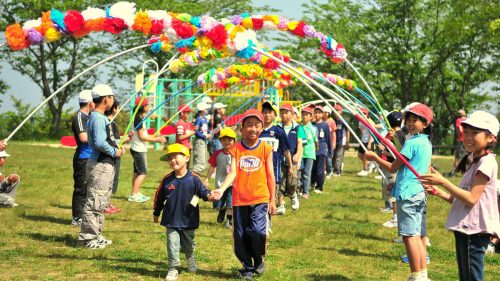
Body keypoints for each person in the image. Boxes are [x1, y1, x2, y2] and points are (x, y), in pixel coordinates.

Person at [420, 110, 499, 281]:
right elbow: (462, 201)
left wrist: (443, 182)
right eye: (467, 132)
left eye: (475, 133)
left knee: (471, 277)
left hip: (474, 231)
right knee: (466, 276)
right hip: (466, 228)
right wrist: (439, 192)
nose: (469, 137)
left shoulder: (486, 163)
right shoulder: (475, 161)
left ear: (491, 138)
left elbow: (471, 198)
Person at [365, 103, 433, 281]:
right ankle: (422, 274)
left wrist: (374, 158)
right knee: (417, 236)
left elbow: (394, 167)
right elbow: (410, 170)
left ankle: (417, 276)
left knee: (409, 237)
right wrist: (394, 186)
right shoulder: (425, 142)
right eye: (408, 120)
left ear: (425, 123)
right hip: (418, 192)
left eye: (415, 120)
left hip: (409, 195)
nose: (410, 123)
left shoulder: (412, 144)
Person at [213, 108, 276, 280]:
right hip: (239, 200)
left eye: (257, 125)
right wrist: (222, 188)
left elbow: (271, 175)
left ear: (261, 128)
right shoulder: (236, 149)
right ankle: (247, 267)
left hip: (260, 198)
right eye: (249, 125)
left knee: (256, 231)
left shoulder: (266, 149)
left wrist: (272, 200)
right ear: (242, 129)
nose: (253, 129)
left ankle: (259, 259)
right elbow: (232, 172)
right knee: (239, 235)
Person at [153, 143, 215, 281]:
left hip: (189, 220)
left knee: (188, 244)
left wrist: (210, 196)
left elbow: (204, 193)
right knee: (172, 243)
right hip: (171, 219)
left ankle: (190, 257)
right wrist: (156, 213)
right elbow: (159, 197)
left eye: (175, 156)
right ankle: (172, 268)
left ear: (187, 158)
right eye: (169, 158)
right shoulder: (167, 180)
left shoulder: (194, 178)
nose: (172, 160)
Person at [77, 84, 126, 249]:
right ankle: (87, 238)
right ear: (107, 99)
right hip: (100, 165)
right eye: (112, 97)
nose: (112, 100)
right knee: (95, 201)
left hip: (106, 164)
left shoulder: (101, 117)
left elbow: (106, 139)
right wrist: (114, 151)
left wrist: (118, 147)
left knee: (101, 202)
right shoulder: (98, 118)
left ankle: (96, 234)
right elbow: (98, 142)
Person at [129, 97, 166, 203]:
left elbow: (144, 134)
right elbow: (142, 137)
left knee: (137, 171)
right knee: (143, 172)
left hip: (137, 148)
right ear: (143, 107)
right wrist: (157, 140)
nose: (149, 107)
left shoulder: (139, 117)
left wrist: (155, 136)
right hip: (138, 149)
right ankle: (134, 194)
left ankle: (135, 192)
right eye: (147, 105)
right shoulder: (138, 119)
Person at [259, 101, 292, 215]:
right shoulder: (257, 131)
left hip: (274, 172)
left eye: (270, 112)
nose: (267, 115)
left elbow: (286, 151)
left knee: (270, 199)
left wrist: (291, 166)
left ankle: (268, 221)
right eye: (265, 112)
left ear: (274, 115)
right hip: (258, 172)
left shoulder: (279, 131)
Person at [70, 90, 95, 226]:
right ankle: (77, 217)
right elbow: (83, 138)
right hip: (83, 158)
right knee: (81, 188)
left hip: (91, 157)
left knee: (90, 189)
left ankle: (86, 216)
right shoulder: (80, 117)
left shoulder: (90, 117)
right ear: (90, 102)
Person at [205, 127, 237, 228]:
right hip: (220, 184)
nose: (226, 142)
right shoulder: (217, 154)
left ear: (234, 141)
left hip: (232, 184)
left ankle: (229, 220)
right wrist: (207, 178)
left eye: (229, 139)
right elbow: (212, 167)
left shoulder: (237, 154)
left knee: (230, 203)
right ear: (220, 141)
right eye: (224, 139)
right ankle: (221, 211)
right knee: (219, 204)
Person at [278, 103, 305, 211]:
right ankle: (281, 204)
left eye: (286, 112)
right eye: (282, 112)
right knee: (280, 182)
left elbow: (300, 143)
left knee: (292, 182)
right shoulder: (278, 127)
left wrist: (297, 155)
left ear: (292, 114)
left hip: (292, 160)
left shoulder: (298, 128)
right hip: (280, 159)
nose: (284, 115)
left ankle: (293, 195)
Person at [104, 100, 123, 214]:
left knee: (111, 179)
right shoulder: (111, 123)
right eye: (118, 107)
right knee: (110, 180)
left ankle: (107, 203)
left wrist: (120, 146)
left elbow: (116, 141)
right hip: (112, 156)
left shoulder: (110, 122)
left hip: (114, 152)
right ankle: (105, 204)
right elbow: (114, 141)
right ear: (114, 108)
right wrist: (119, 146)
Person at [311, 105, 332, 194]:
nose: (316, 114)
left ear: (322, 114)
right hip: (312, 151)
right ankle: (312, 184)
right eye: (315, 112)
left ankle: (320, 186)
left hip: (321, 150)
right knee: (313, 169)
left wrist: (330, 151)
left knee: (320, 170)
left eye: (319, 113)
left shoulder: (325, 125)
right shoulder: (311, 124)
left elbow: (328, 138)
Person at [300, 106, 318, 199]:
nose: (304, 117)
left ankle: (305, 192)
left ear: (311, 117)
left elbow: (316, 141)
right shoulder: (299, 127)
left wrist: (316, 149)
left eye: (306, 115)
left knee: (307, 173)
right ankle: (299, 189)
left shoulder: (314, 128)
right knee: (300, 172)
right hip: (300, 153)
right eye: (303, 115)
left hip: (310, 154)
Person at [446, 109, 468, 177]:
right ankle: (466, 172)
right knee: (465, 156)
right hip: (467, 140)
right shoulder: (467, 120)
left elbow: (460, 129)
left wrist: (460, 135)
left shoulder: (459, 120)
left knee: (458, 157)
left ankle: (453, 172)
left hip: (461, 140)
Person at [192, 102, 212, 174]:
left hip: (204, 141)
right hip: (199, 141)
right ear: (203, 110)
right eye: (206, 109)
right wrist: (204, 136)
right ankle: (193, 176)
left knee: (203, 162)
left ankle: (196, 177)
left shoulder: (205, 119)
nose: (207, 110)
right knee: (199, 162)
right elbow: (196, 131)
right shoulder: (198, 119)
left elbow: (206, 129)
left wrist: (209, 132)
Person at [176, 104, 195, 168]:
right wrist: (192, 133)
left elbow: (191, 130)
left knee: (187, 166)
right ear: (182, 113)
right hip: (182, 149)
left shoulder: (187, 123)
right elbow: (180, 137)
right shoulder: (180, 124)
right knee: (183, 167)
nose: (189, 115)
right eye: (187, 113)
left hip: (187, 148)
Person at [332, 104, 349, 176]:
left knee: (339, 156)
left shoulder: (344, 120)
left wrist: (348, 140)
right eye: (334, 111)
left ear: (341, 112)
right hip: (334, 141)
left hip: (342, 141)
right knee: (334, 155)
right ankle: (335, 168)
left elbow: (348, 130)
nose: (336, 112)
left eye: (337, 110)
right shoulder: (333, 120)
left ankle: (337, 171)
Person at [357, 107, 373, 176]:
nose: (362, 115)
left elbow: (372, 134)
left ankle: (365, 170)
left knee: (365, 156)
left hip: (368, 141)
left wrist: (369, 143)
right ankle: (369, 164)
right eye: (361, 113)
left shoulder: (369, 122)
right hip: (363, 140)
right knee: (359, 155)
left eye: (364, 113)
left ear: (367, 114)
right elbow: (362, 131)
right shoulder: (360, 121)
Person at [322, 106, 337, 179]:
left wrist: (333, 143)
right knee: (322, 158)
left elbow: (333, 133)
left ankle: (329, 171)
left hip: (329, 143)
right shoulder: (320, 121)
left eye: (326, 112)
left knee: (328, 158)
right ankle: (323, 171)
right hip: (322, 143)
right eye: (324, 112)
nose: (325, 114)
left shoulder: (331, 121)